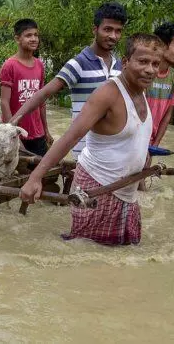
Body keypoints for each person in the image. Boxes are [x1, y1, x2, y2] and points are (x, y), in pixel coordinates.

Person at [19, 33, 164, 246]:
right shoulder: (107, 94)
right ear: (125, 62)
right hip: (97, 189)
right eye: (142, 61)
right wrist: (35, 178)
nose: (150, 69)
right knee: (89, 255)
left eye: (155, 64)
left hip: (127, 191)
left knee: (124, 255)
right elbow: (71, 137)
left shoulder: (141, 91)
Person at [10, 2, 127, 159]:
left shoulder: (120, 66)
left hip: (113, 151)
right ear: (95, 29)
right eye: (107, 29)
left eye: (118, 31)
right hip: (85, 153)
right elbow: (43, 93)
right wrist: (12, 122)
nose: (113, 36)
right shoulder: (79, 63)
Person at [0, 18, 52, 157]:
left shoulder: (40, 65)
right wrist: (13, 132)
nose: (34, 39)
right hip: (16, 133)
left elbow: (41, 102)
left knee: (43, 173)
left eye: (36, 35)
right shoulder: (10, 66)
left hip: (37, 132)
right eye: (28, 35)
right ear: (17, 39)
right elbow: (4, 102)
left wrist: (46, 130)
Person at [147, 22, 174, 146]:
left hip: (151, 140)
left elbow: (167, 115)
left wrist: (156, 144)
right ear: (162, 45)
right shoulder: (144, 73)